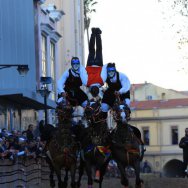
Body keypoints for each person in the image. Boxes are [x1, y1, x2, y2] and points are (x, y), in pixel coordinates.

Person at [84, 27, 107, 101]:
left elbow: (104, 73)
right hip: (89, 66)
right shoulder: (87, 84)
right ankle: (93, 33)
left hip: (98, 66)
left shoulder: (101, 83)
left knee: (99, 50)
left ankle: (97, 34)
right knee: (91, 50)